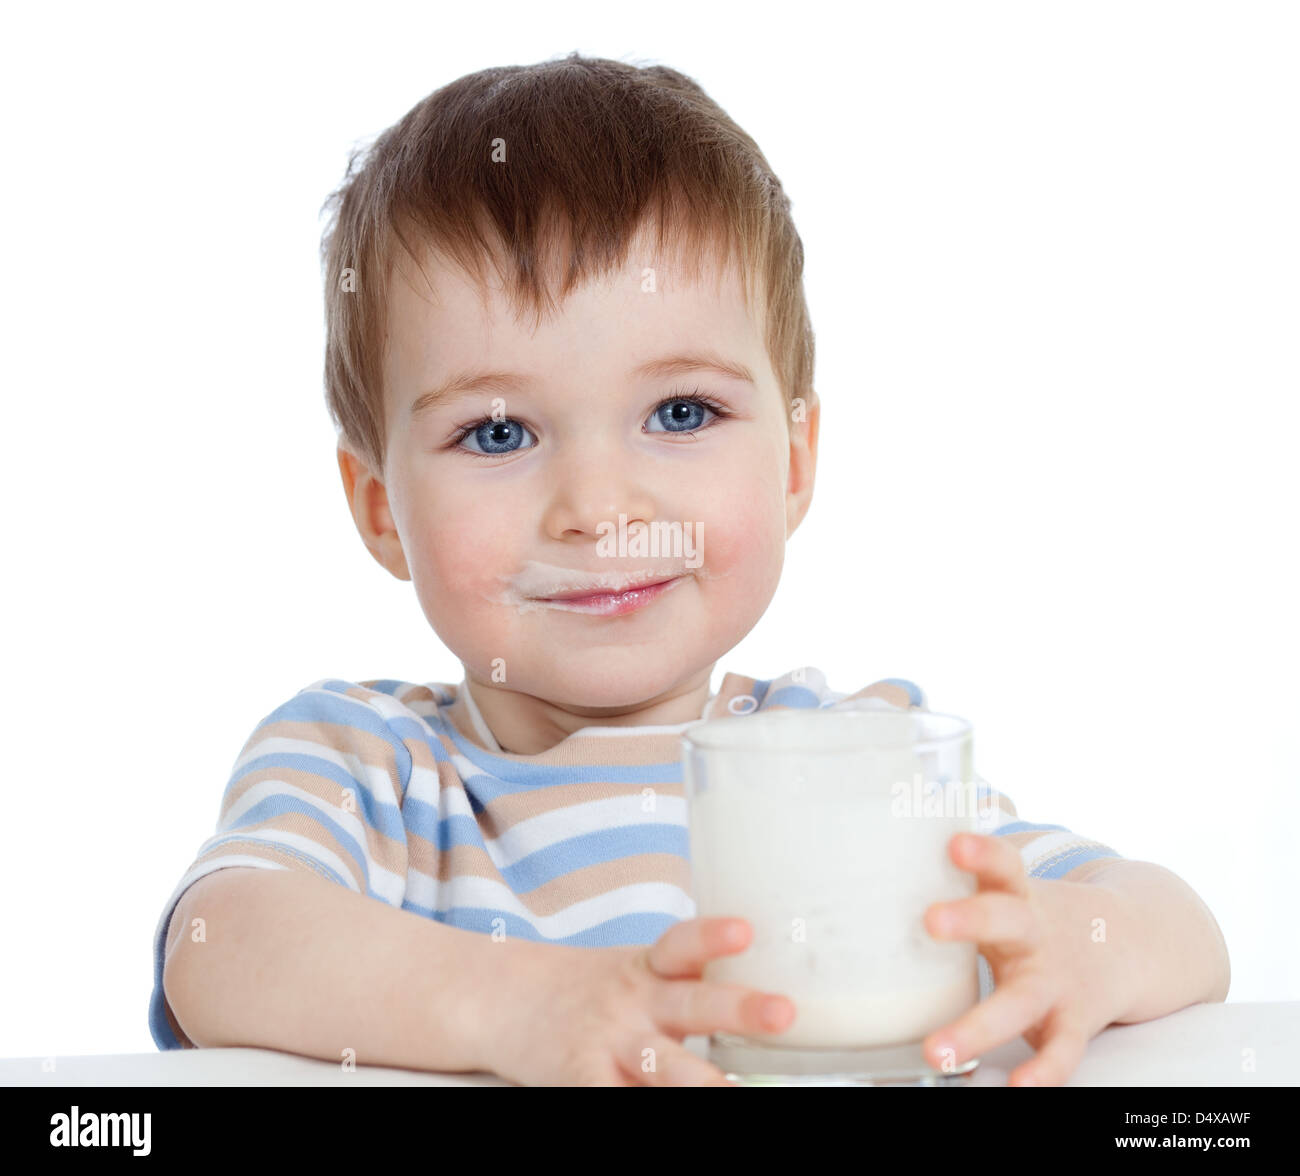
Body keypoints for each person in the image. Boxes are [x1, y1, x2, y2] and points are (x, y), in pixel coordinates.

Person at [151, 52, 1229, 1086]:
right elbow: (217, 944)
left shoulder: (846, 760)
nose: (598, 509)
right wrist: (523, 1007)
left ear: (796, 460)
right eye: (496, 433)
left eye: (680, 413)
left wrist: (1086, 948)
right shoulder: (369, 768)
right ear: (381, 511)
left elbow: (1175, 927)